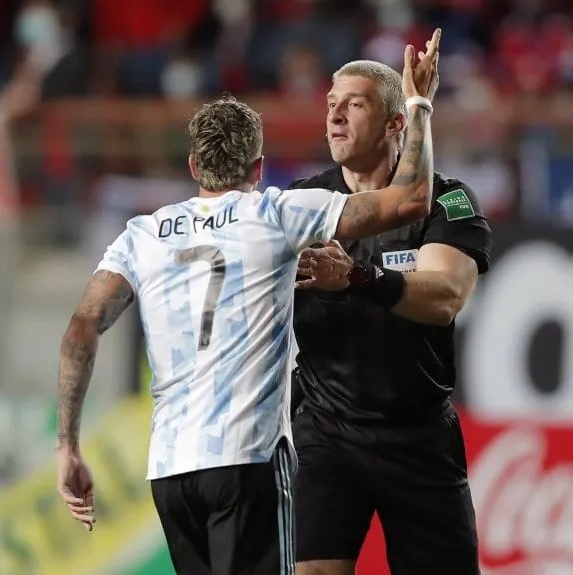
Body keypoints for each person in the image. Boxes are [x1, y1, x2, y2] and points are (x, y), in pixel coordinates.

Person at [56, 31, 442, 575]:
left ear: (193, 166)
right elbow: (411, 200)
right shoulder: (276, 214)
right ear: (259, 169)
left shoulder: (141, 234)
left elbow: (81, 329)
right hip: (248, 457)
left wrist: (67, 445)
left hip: (169, 470)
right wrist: (419, 104)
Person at [288, 45, 491, 575]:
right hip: (325, 430)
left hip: (418, 434)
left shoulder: (448, 202)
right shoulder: (300, 203)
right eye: (331, 102)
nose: (333, 114)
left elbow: (444, 297)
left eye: (352, 105)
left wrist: (356, 278)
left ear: (394, 122)